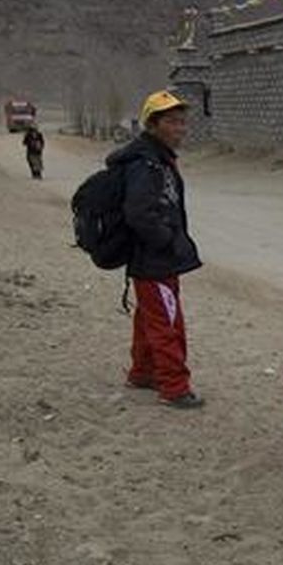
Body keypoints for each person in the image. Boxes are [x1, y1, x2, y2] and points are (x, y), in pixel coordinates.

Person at [106, 90, 204, 409]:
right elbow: (139, 213)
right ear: (153, 125)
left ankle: (143, 372)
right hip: (155, 259)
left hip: (151, 258)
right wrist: (167, 241)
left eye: (182, 122)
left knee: (150, 316)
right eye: (173, 122)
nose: (181, 128)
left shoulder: (155, 158)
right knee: (167, 322)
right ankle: (174, 387)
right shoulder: (146, 164)